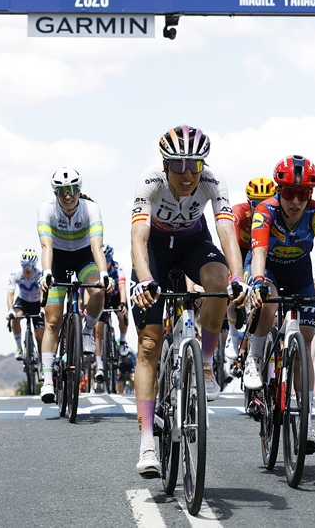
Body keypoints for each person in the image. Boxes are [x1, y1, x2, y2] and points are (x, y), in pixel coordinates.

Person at [128, 125, 249, 478]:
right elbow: (138, 236)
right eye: (178, 166)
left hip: (194, 243)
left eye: (194, 166)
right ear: (165, 166)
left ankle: (206, 363)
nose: (187, 175)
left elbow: (226, 231)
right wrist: (145, 279)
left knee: (218, 281)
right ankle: (147, 443)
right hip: (155, 250)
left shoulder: (213, 181)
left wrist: (238, 278)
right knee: (149, 345)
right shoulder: (150, 181)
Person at [242, 155, 315, 455]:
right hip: (268, 268)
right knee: (268, 303)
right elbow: (259, 251)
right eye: (288, 193)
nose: (295, 201)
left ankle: (306, 419)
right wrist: (257, 281)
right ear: (278, 191)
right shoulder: (265, 210)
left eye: (303, 194)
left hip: (299, 272)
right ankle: (254, 358)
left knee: (305, 341)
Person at [37, 167, 110, 404]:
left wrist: (103, 273)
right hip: (57, 260)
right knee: (53, 321)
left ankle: (87, 330)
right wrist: (47, 273)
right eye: (62, 191)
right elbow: (46, 246)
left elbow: (96, 246)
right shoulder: (47, 208)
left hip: (83, 257)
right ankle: (48, 381)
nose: (68, 195)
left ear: (79, 190)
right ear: (55, 193)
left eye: (72, 190)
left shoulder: (91, 208)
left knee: (98, 290)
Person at [225, 177, 276, 358]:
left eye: (267, 202)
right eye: (256, 204)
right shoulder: (239, 214)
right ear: (249, 204)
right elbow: (232, 248)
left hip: (264, 253)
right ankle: (232, 335)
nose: (262, 207)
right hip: (241, 252)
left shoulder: (276, 214)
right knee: (234, 292)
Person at [93, 245, 129, 388]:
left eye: (107, 259)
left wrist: (123, 303)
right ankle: (99, 366)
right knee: (98, 331)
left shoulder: (118, 267)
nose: (105, 262)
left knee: (122, 314)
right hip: (102, 297)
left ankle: (123, 341)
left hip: (115, 296)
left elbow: (122, 287)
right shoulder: (96, 269)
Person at [7, 248, 46, 360]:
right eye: (25, 265)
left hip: (37, 303)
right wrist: (10, 310)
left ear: (35, 265)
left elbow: (42, 292)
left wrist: (42, 309)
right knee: (15, 318)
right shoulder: (15, 274)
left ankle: (42, 361)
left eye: (31, 266)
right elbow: (10, 294)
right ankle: (19, 348)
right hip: (23, 301)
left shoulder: (40, 274)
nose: (28, 268)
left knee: (39, 337)